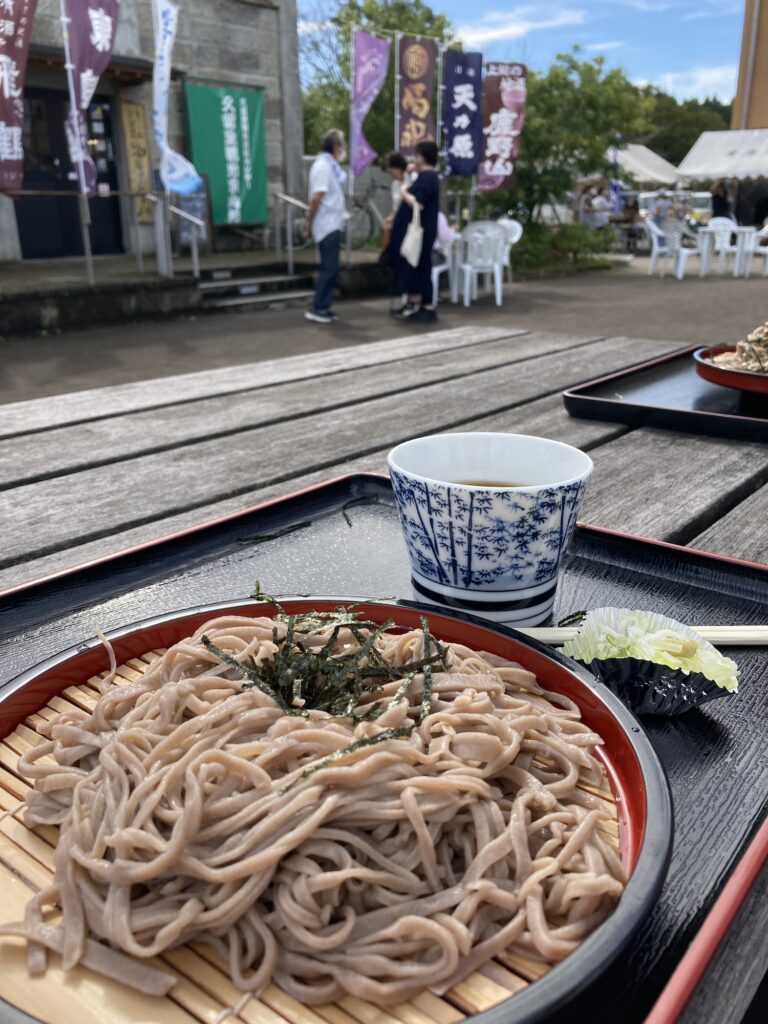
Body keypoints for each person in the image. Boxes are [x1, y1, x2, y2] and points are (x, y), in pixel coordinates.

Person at [385, 140, 440, 324]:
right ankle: (421, 304)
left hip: (422, 231)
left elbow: (419, 203)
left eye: (416, 156)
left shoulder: (428, 178)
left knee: (423, 267)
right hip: (423, 230)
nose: (414, 160)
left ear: (423, 156)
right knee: (420, 267)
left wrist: (404, 192)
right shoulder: (427, 176)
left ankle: (427, 307)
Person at [304, 129, 347, 325]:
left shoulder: (330, 166)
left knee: (331, 268)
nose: (344, 150)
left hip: (332, 223)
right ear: (336, 147)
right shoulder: (323, 166)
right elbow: (316, 198)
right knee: (329, 268)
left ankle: (323, 306)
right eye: (342, 145)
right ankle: (317, 307)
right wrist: (309, 223)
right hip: (326, 224)